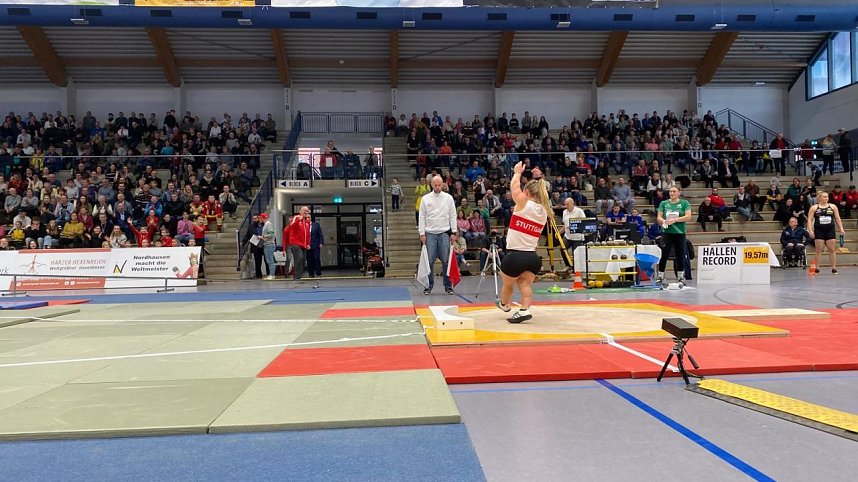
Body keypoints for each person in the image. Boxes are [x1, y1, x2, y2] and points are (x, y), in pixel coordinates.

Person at [495, 162, 551, 323]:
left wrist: (517, 173)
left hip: (515, 256)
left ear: (527, 192)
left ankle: (505, 305)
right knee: (524, 284)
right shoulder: (544, 211)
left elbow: (513, 188)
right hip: (533, 258)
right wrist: (538, 177)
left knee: (508, 285)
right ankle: (524, 309)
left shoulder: (523, 203)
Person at [418, 175, 458, 295]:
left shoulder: (449, 198)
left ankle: (448, 286)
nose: (438, 187)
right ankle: (428, 286)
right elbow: (421, 217)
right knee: (429, 261)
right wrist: (422, 233)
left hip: (444, 233)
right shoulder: (425, 199)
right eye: (435, 185)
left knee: (446, 261)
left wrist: (454, 232)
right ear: (431, 185)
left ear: (443, 184)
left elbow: (452, 215)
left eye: (439, 185)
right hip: (430, 233)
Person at [656, 186, 692, 285]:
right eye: (670, 191)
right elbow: (658, 217)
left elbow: (688, 216)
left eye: (674, 191)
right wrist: (664, 221)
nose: (672, 193)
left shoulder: (684, 203)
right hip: (667, 232)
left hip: (679, 232)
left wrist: (675, 220)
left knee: (680, 254)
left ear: (679, 193)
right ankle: (660, 276)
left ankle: (681, 277)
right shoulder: (664, 203)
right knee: (664, 254)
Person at [807, 191, 845, 275]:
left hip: (830, 230)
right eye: (824, 197)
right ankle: (817, 268)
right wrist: (810, 230)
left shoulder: (833, 206)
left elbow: (837, 218)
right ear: (819, 198)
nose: (826, 198)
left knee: (831, 249)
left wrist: (841, 228)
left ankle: (834, 268)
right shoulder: (814, 207)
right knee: (818, 249)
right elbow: (809, 220)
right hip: (819, 230)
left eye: (827, 197)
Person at [283, 205, 311, 280]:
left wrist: (308, 243)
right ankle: (296, 276)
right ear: (300, 211)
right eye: (304, 210)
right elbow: (291, 227)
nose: (306, 212)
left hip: (303, 244)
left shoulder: (307, 221)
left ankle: (298, 276)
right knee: (299, 257)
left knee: (303, 260)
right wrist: (298, 220)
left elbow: (308, 234)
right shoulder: (296, 218)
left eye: (307, 211)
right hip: (295, 243)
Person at [560, 197, 586, 270]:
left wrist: (573, 227)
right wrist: (559, 233)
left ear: (572, 204)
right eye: (565, 205)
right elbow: (565, 225)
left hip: (577, 236)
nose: (566, 206)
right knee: (562, 249)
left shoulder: (579, 211)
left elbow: (583, 223)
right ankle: (568, 265)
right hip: (567, 235)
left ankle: (575, 268)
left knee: (576, 253)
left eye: (567, 204)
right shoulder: (564, 212)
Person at [260, 212, 277, 280]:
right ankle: (271, 274)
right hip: (267, 244)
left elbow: (272, 234)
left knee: (270, 260)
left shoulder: (268, 224)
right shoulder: (265, 225)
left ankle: (272, 274)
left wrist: (262, 236)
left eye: (261, 218)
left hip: (269, 245)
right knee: (269, 260)